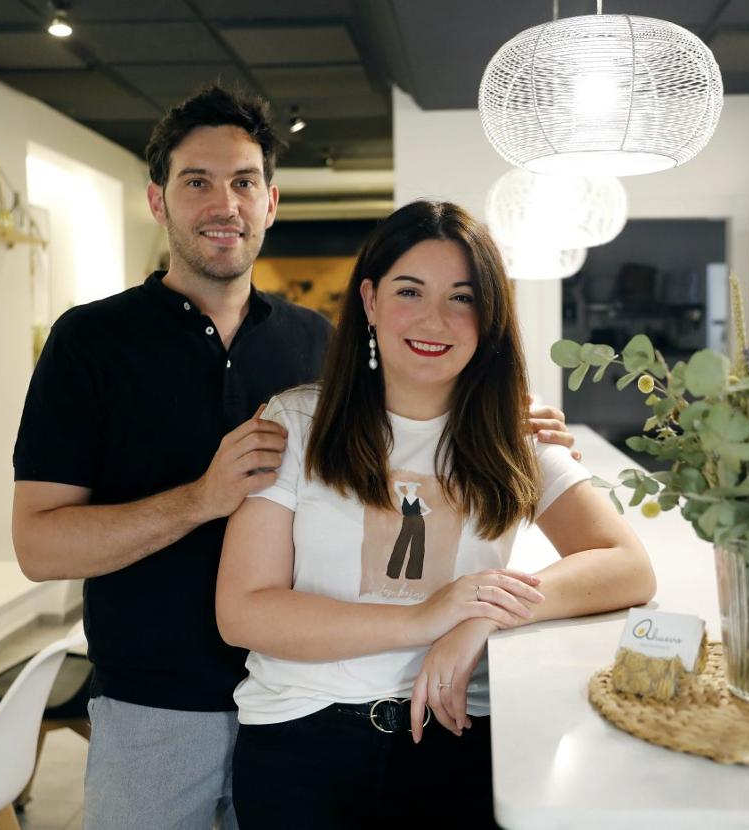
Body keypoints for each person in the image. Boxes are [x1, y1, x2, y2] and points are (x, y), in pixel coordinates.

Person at [10, 86, 576, 829]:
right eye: (197, 182)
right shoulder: (92, 342)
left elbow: (415, 401)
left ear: (270, 201)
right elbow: (38, 545)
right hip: (161, 700)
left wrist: (497, 413)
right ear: (157, 200)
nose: (225, 203)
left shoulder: (319, 342)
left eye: (244, 182)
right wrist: (199, 499)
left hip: (306, 696)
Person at [215, 200, 656, 828]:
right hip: (301, 737)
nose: (435, 319)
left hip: (457, 732)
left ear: (489, 317)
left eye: (462, 297)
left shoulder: (514, 431)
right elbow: (243, 611)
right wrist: (425, 617)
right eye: (410, 291)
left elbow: (627, 565)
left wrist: (478, 619)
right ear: (368, 301)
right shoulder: (296, 421)